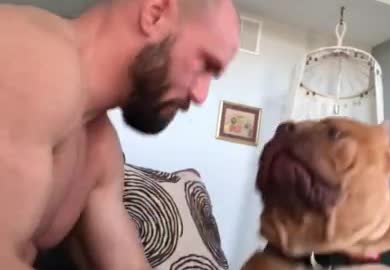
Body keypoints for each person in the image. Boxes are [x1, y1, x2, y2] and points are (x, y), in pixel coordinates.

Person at [0, 0, 240, 269]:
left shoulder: (100, 151)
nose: (200, 95)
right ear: (155, 14)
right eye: (206, 64)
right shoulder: (33, 59)